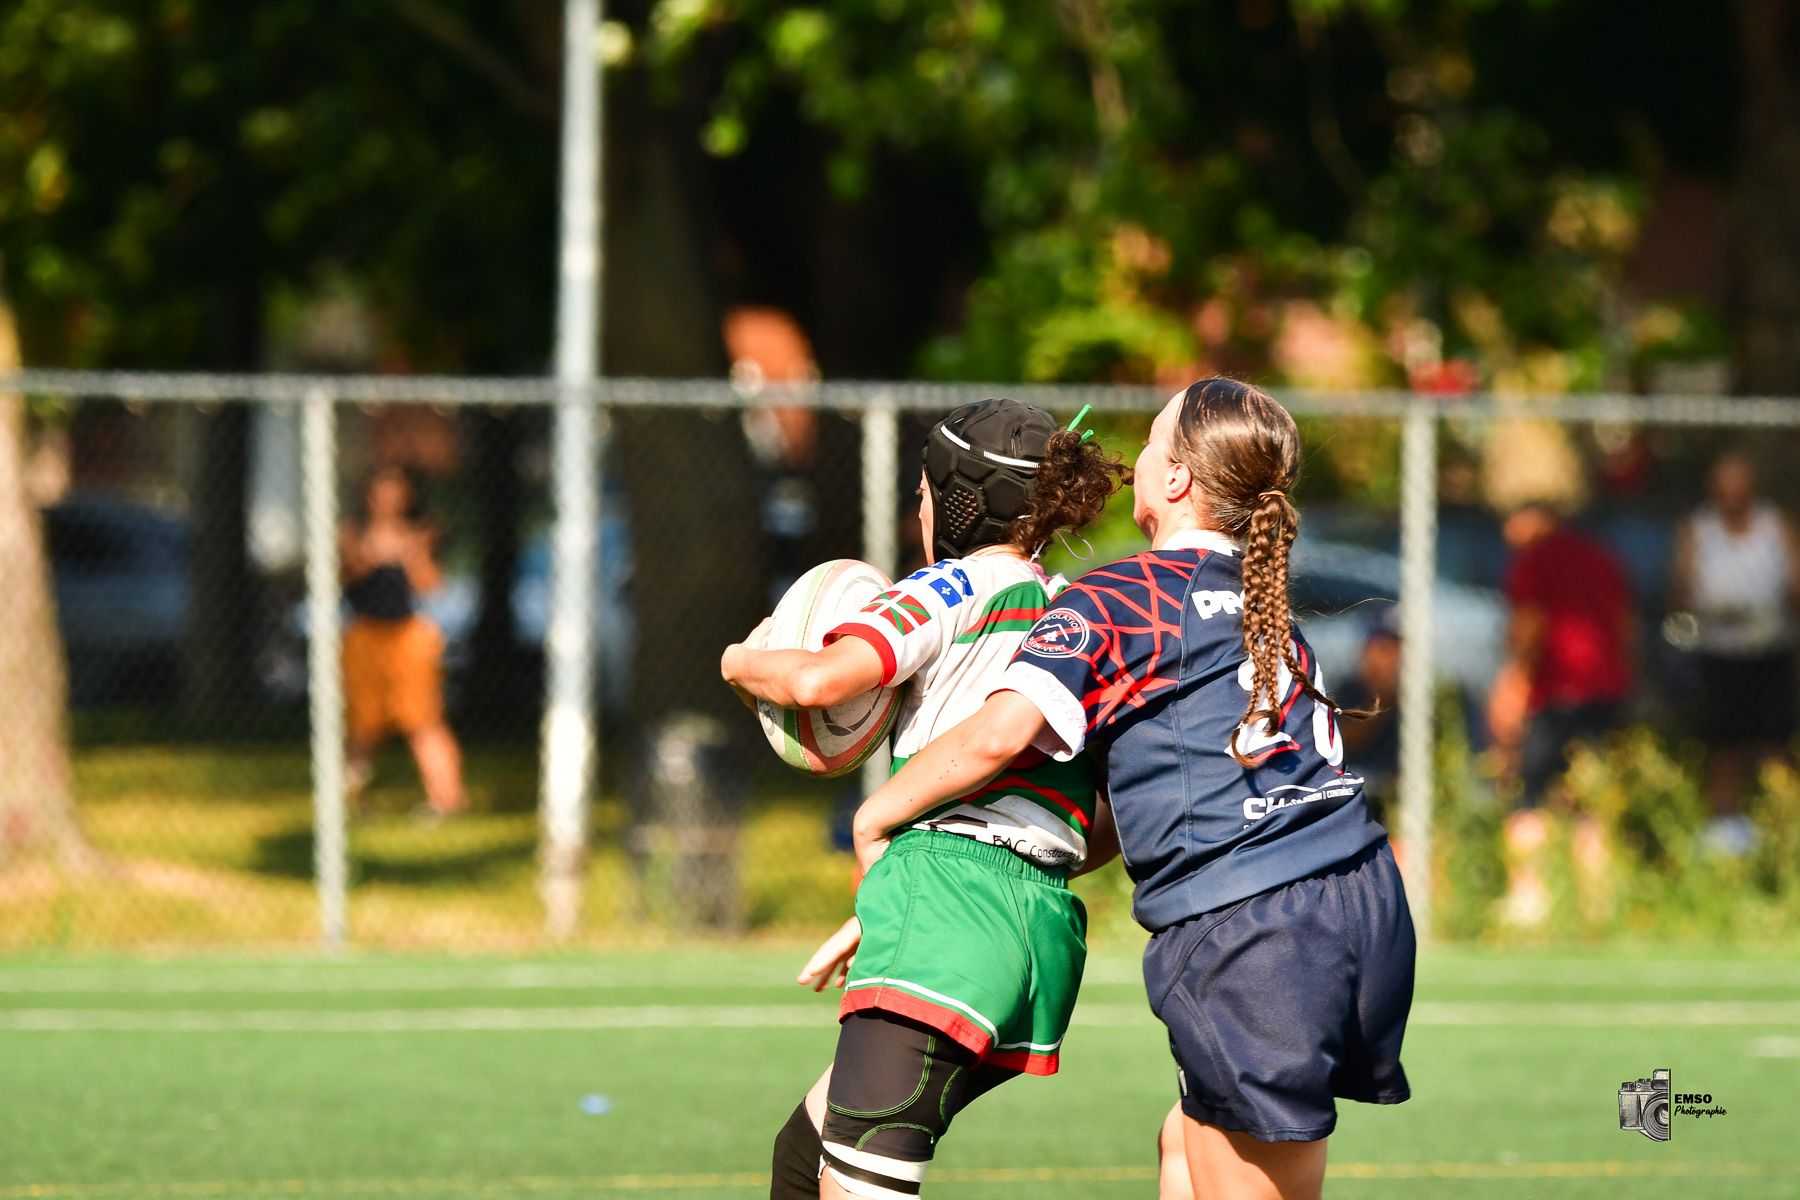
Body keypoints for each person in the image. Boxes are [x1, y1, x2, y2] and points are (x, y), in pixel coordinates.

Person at [845, 379, 1412, 1200]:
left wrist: (877, 817)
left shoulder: (1119, 596)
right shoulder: (1266, 614)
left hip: (1255, 927)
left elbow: (998, 735)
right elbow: (1147, 801)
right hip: (1360, 899)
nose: (1135, 459)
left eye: (1148, 442)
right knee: (1184, 1142)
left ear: (1175, 478)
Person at [720, 399, 1128, 1200]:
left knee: (857, 1182)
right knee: (805, 1157)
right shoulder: (1073, 612)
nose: (919, 511)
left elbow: (818, 679)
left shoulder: (951, 584)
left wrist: (739, 659)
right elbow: (1104, 816)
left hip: (948, 907)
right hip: (1040, 923)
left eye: (922, 494)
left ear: (955, 501)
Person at [1486, 502, 1632, 922]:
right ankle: (1597, 904)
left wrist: (1514, 681)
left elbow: (1530, 625)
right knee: (1592, 801)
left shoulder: (1538, 559)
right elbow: (1626, 623)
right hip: (1606, 692)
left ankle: (1529, 900)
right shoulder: (1601, 555)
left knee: (1529, 794)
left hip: (1554, 694)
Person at [1672, 450, 1800, 856]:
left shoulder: (1775, 525)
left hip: (1769, 651)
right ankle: (1724, 835)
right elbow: (1682, 590)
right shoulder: (1699, 529)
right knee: (1722, 747)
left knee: (1776, 745)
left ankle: (1785, 828)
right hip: (1719, 654)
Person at [340, 467, 465, 818]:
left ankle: (447, 798)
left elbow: (431, 586)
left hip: (408, 637)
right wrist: (371, 552)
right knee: (364, 724)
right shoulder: (352, 533)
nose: (389, 500)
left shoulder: (420, 534)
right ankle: (351, 801)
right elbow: (347, 574)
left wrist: (412, 552)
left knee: (422, 720)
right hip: (365, 635)